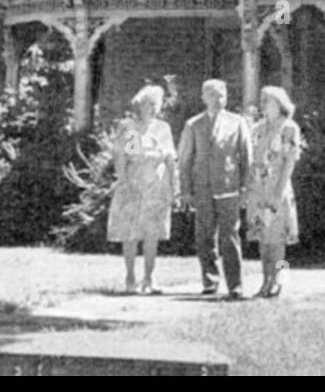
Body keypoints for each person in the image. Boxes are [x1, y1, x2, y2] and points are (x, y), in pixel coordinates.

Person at [177, 79, 252, 300]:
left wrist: (245, 186)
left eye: (221, 95)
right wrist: (186, 190)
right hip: (202, 188)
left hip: (229, 187)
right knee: (204, 236)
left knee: (230, 236)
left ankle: (235, 285)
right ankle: (210, 280)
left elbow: (246, 156)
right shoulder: (193, 124)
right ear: (204, 98)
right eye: (212, 95)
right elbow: (184, 160)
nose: (217, 99)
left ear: (226, 97)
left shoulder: (237, 122)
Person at [107, 85, 178, 294]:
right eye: (149, 104)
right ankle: (130, 278)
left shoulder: (162, 128)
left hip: (157, 185)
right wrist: (125, 181)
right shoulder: (132, 127)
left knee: (152, 233)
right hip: (134, 184)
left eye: (156, 104)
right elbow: (129, 157)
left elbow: (170, 158)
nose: (154, 108)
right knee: (131, 232)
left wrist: (174, 184)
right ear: (140, 105)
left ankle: (149, 278)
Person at [246, 85, 303, 299]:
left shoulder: (289, 128)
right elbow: (253, 161)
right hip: (258, 191)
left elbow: (289, 162)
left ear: (279, 104)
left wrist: (278, 192)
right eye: (261, 101)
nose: (262, 106)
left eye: (266, 101)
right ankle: (265, 281)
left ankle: (281, 283)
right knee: (263, 240)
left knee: (277, 241)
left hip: (277, 189)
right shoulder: (258, 129)